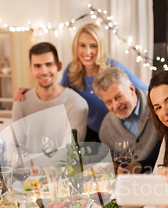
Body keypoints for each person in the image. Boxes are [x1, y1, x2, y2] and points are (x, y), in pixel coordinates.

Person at [14, 23, 148, 142]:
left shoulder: (113, 67)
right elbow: (57, 92)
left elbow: (145, 92)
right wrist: (30, 92)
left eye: (93, 46)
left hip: (114, 129)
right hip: (88, 131)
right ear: (76, 47)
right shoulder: (72, 70)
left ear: (100, 47)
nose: (87, 51)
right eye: (82, 45)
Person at [12, 42, 88, 143]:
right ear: (30, 69)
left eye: (49, 64)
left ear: (59, 66)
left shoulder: (76, 104)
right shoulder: (20, 102)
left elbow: (72, 151)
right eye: (37, 66)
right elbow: (15, 147)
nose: (44, 71)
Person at [92, 67, 160, 166]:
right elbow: (110, 163)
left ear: (131, 89)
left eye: (119, 97)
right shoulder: (106, 127)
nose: (115, 106)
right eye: (108, 102)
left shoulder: (157, 106)